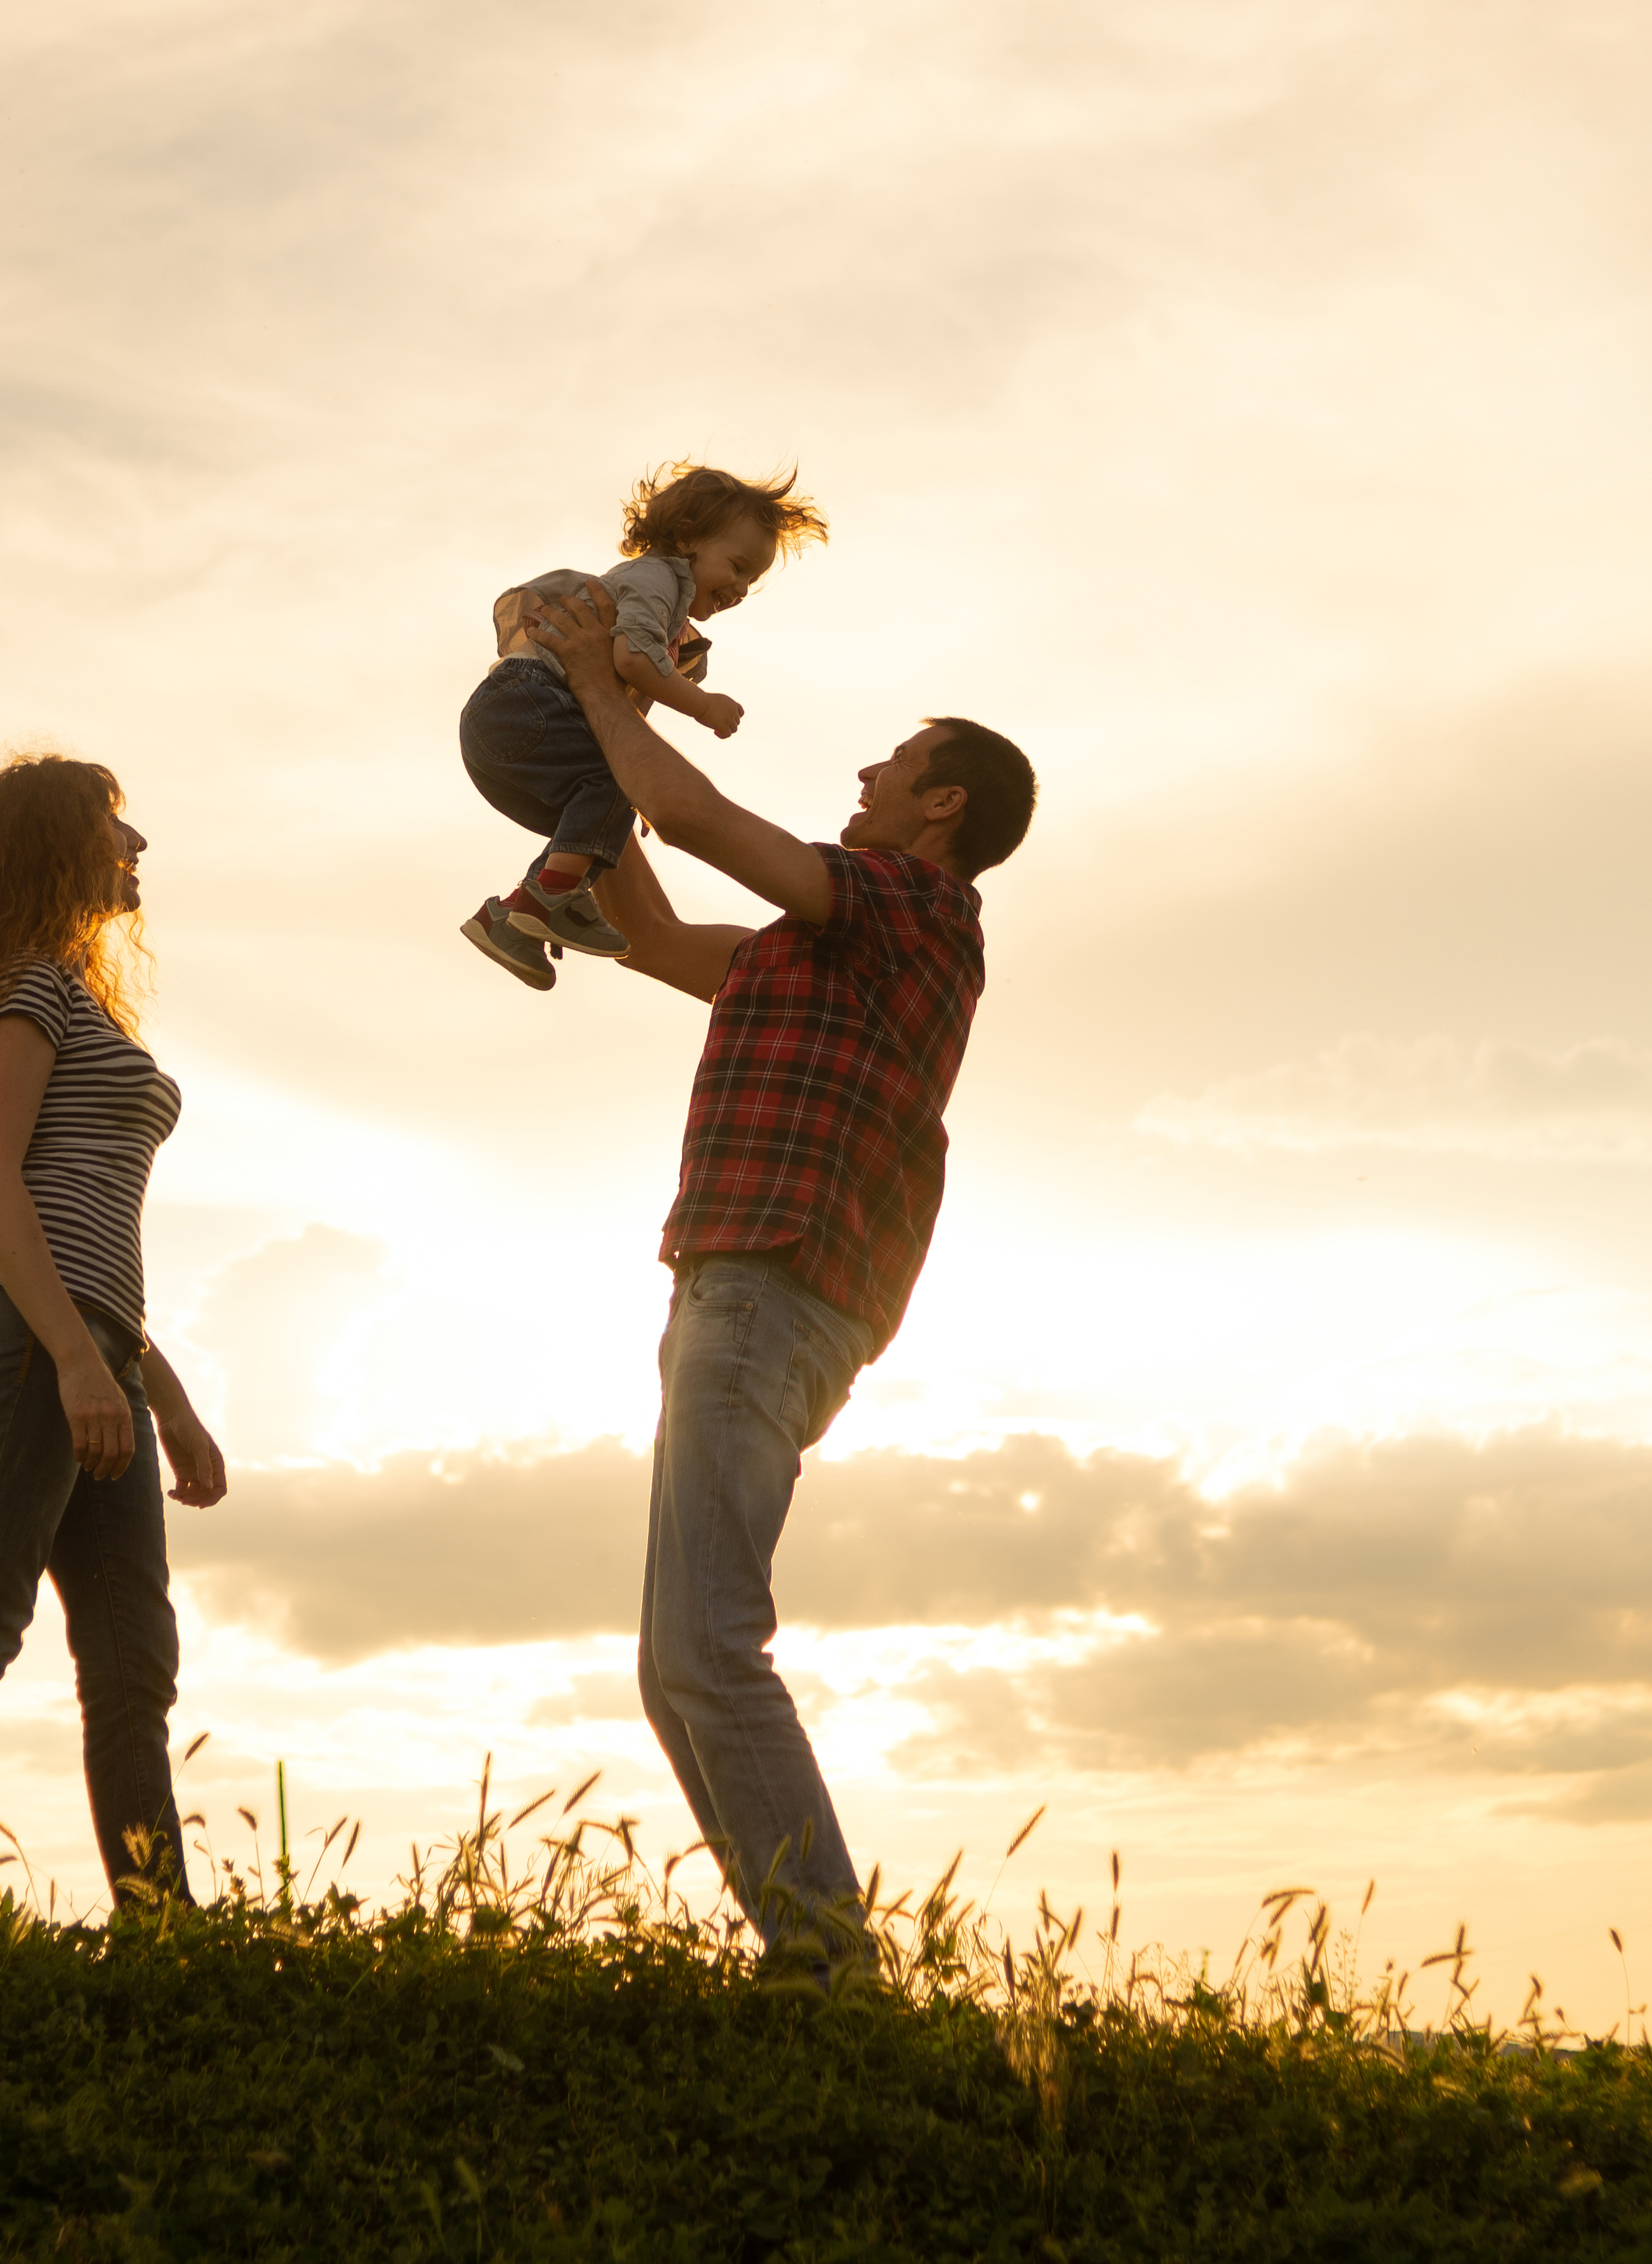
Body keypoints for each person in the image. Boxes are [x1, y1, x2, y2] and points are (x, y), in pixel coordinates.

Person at [514, 582, 1034, 1973]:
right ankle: (813, 1965)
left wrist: (606, 690)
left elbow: (697, 820)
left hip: (765, 1296)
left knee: (705, 1653)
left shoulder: (915, 907)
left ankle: (829, 1975)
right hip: (745, 1304)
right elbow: (653, 931)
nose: (865, 774)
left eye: (895, 765)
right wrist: (586, 776)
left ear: (944, 809)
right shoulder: (820, 949)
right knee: (675, 1663)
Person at [0, 751, 231, 1924]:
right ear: (50, 846)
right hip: (28, 1339)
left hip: (84, 1345)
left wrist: (156, 1391)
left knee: (133, 1670)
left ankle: (163, 1934)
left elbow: (87, 1229)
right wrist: (76, 1358)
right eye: (113, 827)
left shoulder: (71, 991)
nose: (135, 848)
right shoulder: (27, 984)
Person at [457, 462, 833, 988]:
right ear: (685, 538)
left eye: (753, 579)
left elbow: (630, 695)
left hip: (517, 717)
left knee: (603, 803)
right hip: (525, 704)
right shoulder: (654, 578)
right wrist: (702, 705)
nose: (742, 588)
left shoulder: (675, 623)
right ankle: (548, 901)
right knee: (612, 788)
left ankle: (512, 919)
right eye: (738, 566)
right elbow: (633, 659)